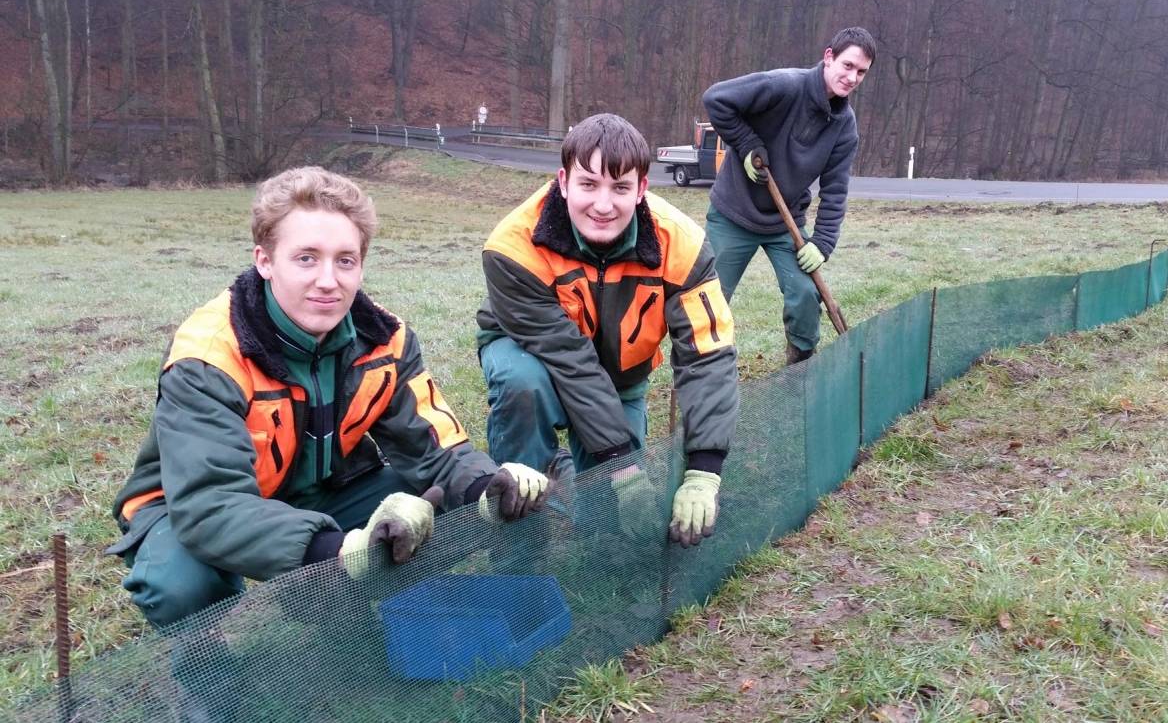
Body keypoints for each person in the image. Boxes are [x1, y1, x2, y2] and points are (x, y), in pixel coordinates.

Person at [108, 166, 548, 629]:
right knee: (180, 583)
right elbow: (208, 505)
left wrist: (487, 488)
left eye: (345, 260)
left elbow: (438, 452)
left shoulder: (386, 340)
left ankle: (331, 605)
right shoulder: (207, 356)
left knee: (439, 509)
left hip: (321, 491)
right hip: (190, 506)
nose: (327, 280)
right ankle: (203, 667)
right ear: (264, 260)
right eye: (305, 258)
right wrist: (333, 551)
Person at [475, 113, 739, 548]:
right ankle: (519, 535)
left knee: (609, 528)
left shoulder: (684, 247)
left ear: (641, 189)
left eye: (619, 187)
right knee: (524, 386)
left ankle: (574, 475)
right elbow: (571, 362)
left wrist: (704, 470)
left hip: (621, 376)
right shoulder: (511, 248)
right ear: (562, 182)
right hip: (533, 355)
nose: (602, 204)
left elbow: (708, 355)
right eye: (588, 184)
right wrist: (622, 465)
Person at [703, 26, 876, 364]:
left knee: (805, 295)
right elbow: (716, 99)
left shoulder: (845, 127)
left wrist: (822, 243)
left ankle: (800, 365)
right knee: (707, 297)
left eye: (861, 72)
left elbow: (835, 191)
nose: (852, 77)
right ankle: (703, 366)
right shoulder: (784, 86)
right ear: (829, 57)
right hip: (733, 214)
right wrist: (747, 144)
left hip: (786, 224)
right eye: (847, 65)